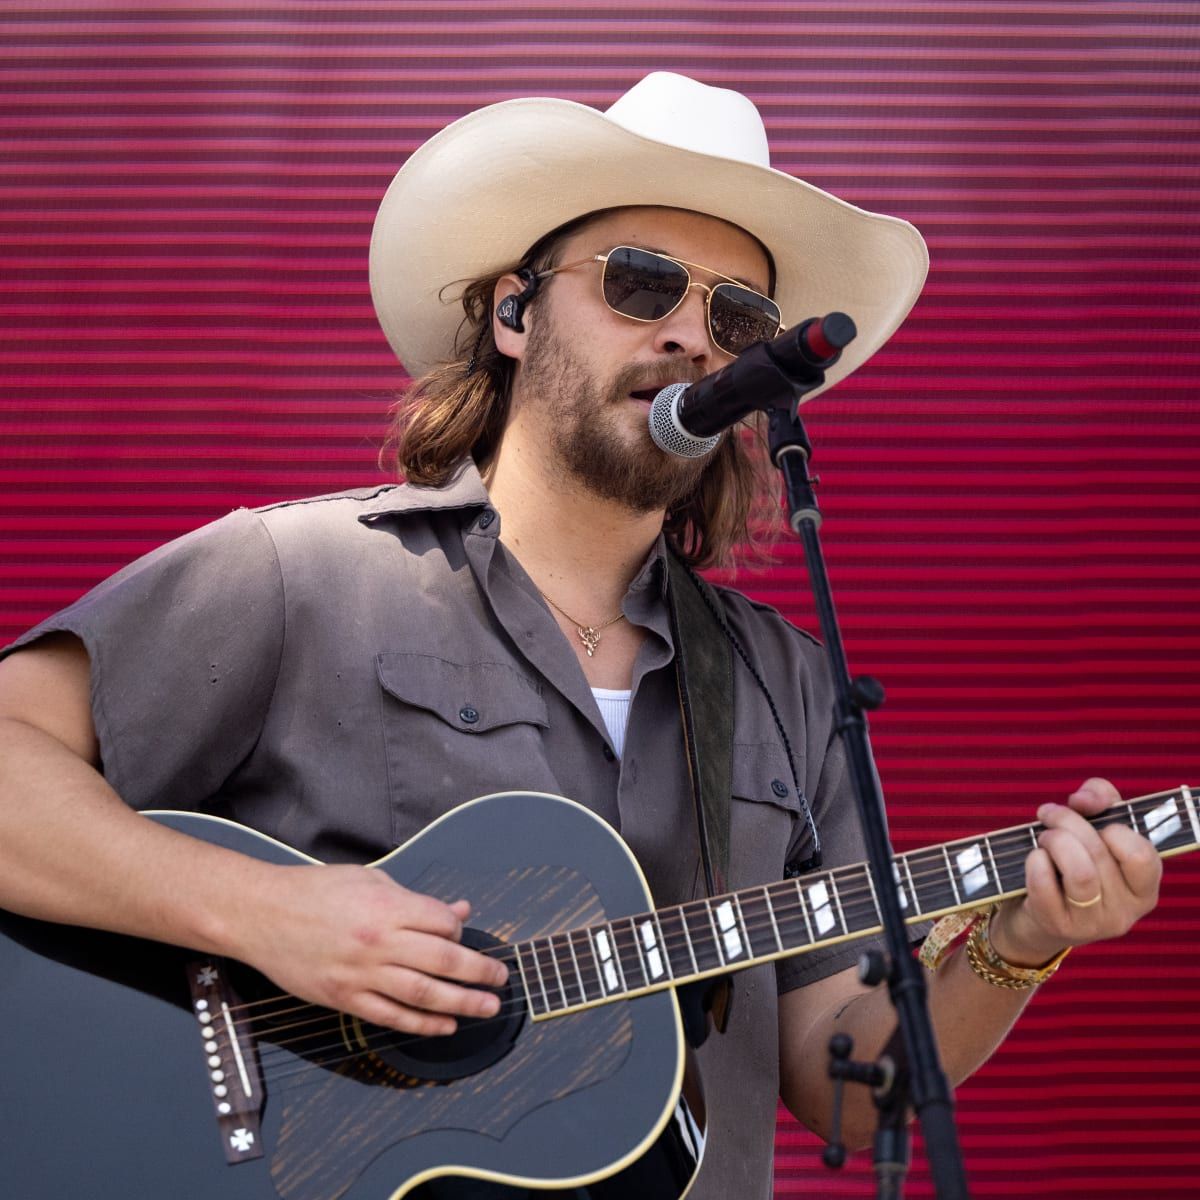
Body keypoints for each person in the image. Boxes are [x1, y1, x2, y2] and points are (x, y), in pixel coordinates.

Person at [0, 72, 1162, 1198]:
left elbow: (843, 1082)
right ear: (513, 312)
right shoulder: (295, 577)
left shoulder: (782, 684)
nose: (694, 339)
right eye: (643, 283)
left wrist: (1018, 942)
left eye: (739, 316)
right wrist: (264, 913)